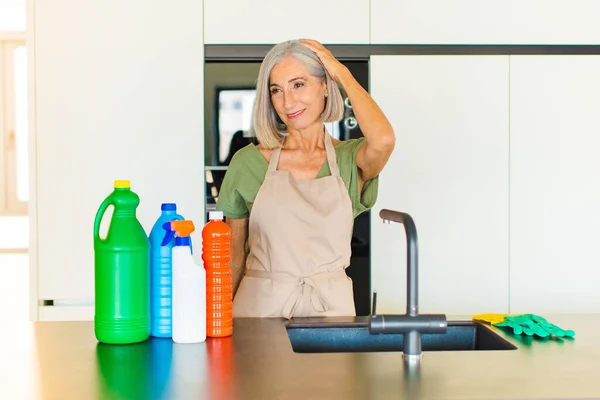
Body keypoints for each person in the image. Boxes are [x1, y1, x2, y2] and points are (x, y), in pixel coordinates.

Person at [215, 39, 395, 318]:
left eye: (298, 84)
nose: (288, 101)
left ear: (325, 86)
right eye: (277, 90)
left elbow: (384, 140)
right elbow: (233, 256)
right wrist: (219, 324)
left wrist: (342, 73)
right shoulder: (248, 162)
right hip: (259, 313)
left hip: (331, 313)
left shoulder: (350, 159)